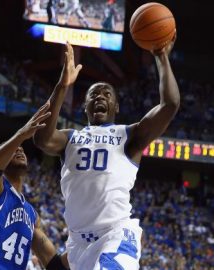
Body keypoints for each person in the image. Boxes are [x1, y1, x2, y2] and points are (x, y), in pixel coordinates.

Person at [34, 40, 180, 270]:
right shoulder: (70, 137)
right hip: (78, 244)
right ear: (85, 107)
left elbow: (170, 104)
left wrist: (161, 57)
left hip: (116, 234)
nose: (100, 96)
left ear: (116, 107)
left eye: (106, 94)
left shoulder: (129, 135)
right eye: (93, 94)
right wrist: (62, 86)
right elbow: (42, 139)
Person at [0, 103, 69, 270]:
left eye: (22, 149)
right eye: (14, 150)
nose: (19, 150)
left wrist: (89, 244)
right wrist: (20, 136)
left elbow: (55, 264)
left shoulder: (31, 215)